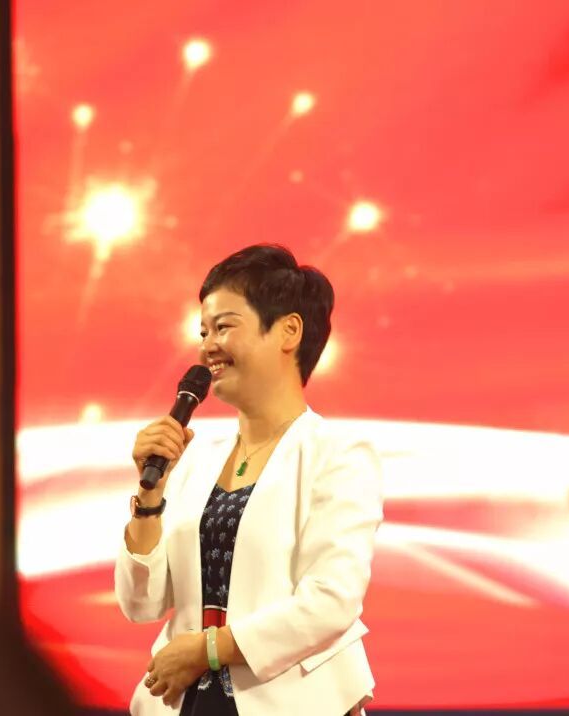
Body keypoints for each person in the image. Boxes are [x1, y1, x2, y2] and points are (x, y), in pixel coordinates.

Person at [114, 244, 383, 716]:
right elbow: (142, 603)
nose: (207, 347)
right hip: (187, 704)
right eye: (203, 331)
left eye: (223, 327)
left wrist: (207, 650)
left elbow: (331, 600)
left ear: (288, 331)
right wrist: (149, 494)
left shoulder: (337, 454)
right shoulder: (196, 458)